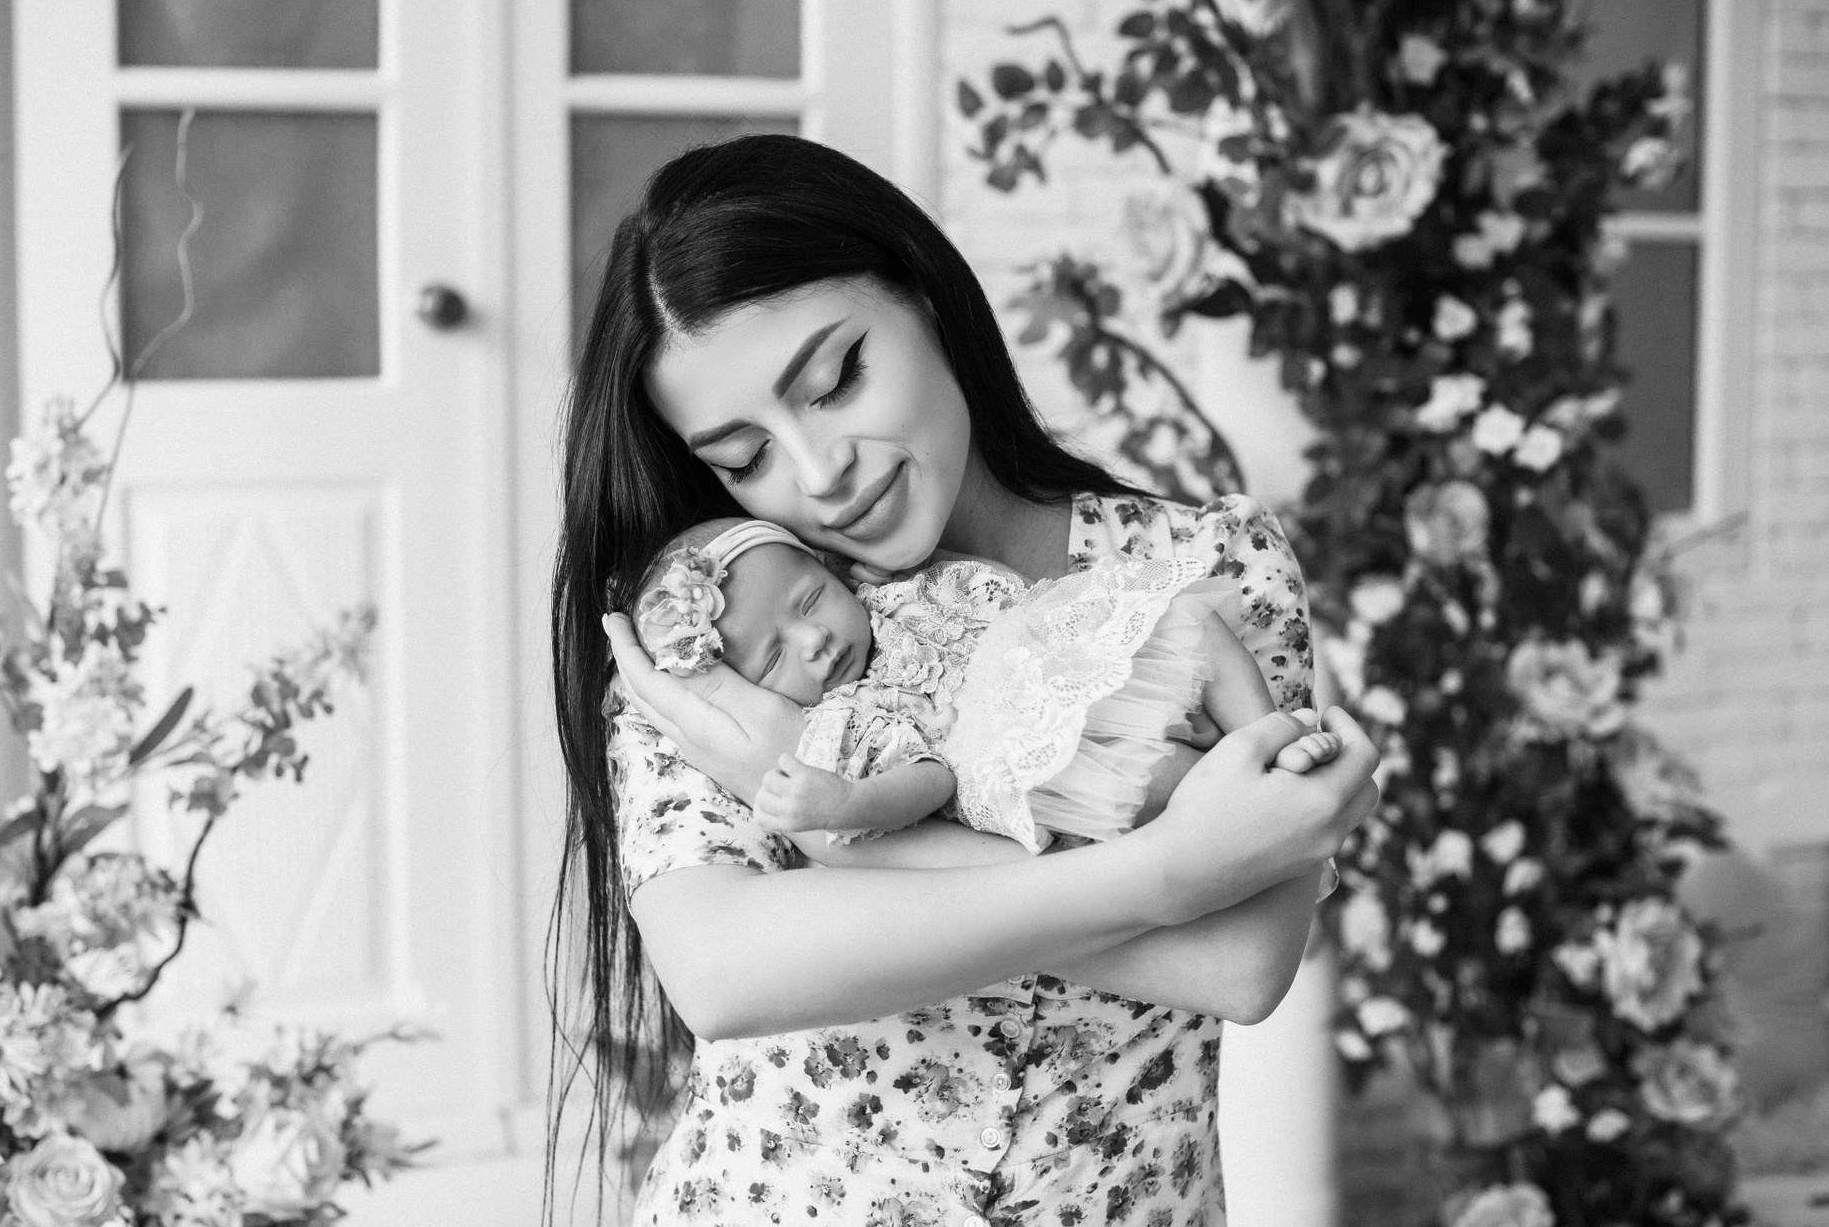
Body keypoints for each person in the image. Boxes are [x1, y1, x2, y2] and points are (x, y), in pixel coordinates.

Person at [551, 133, 1380, 1225]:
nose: (819, 474)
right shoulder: (715, 631)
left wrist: (827, 829)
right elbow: (725, 971)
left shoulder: (1208, 566)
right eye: (744, 457)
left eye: (836, 380)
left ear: (927, 296)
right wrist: (1170, 869)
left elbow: (1240, 963)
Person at [626, 515, 1343, 849]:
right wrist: (848, 802)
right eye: (772, 659)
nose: (812, 640)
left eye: (810, 599)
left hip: (1065, 655)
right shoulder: (857, 716)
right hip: (1039, 753)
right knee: (1155, 776)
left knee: (1186, 620)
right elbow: (933, 778)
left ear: (827, 568)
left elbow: (992, 584)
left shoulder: (892, 593)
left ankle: (1265, 735)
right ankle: (1249, 785)